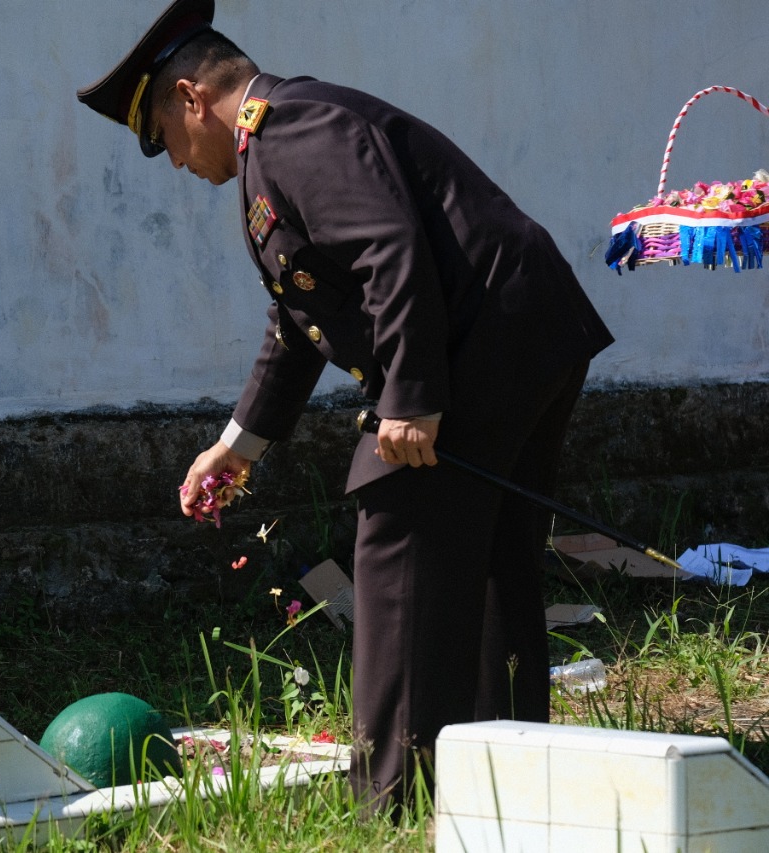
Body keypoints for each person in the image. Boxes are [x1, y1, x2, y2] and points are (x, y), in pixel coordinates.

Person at [76, 0, 614, 816]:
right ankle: (507, 779)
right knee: (490, 557)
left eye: (164, 136)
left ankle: (391, 803)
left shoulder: (293, 129)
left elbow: (388, 248)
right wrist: (238, 445)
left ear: (191, 98)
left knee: (397, 528)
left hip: (486, 338)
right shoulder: (274, 151)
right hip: (519, 329)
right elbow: (300, 320)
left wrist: (413, 398)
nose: (174, 162)